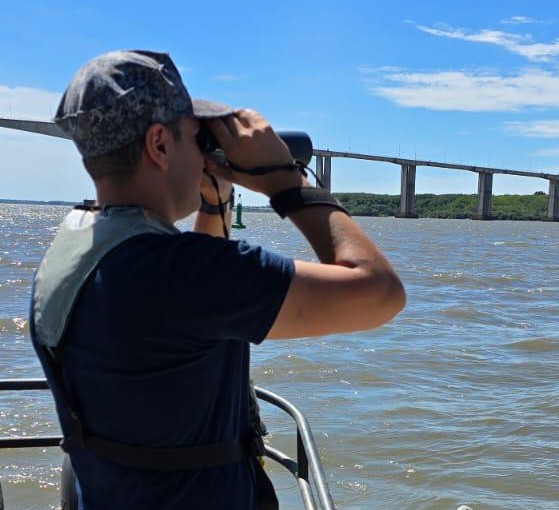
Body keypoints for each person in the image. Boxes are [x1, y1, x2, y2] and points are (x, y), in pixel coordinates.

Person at [30, 49, 405, 510]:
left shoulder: (77, 245)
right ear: (160, 146)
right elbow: (380, 293)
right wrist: (286, 180)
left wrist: (214, 206)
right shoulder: (183, 274)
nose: (207, 154)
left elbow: (192, 311)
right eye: (196, 137)